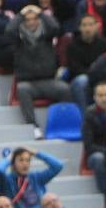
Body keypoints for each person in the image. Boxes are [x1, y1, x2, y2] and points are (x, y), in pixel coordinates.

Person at [10, 7, 70, 138]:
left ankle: (61, 124)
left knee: (64, 89)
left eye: (34, 19)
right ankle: (34, 127)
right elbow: (9, 30)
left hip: (49, 81)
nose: (31, 22)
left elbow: (55, 27)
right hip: (29, 83)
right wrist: (21, 14)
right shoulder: (18, 40)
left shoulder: (46, 37)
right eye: (28, 20)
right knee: (22, 89)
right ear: (23, 22)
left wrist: (41, 13)